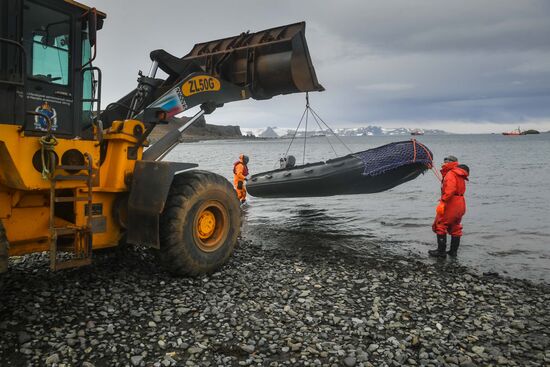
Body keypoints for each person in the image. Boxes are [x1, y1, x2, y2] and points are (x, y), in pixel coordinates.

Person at [429, 155, 470, 258]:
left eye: (445, 161)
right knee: (455, 227)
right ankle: (453, 252)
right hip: (460, 202)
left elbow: (450, 190)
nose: (443, 163)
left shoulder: (451, 174)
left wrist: (443, 200)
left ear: (450, 163)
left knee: (441, 225)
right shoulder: (459, 174)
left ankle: (441, 252)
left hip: (451, 203)